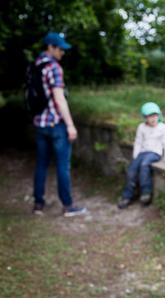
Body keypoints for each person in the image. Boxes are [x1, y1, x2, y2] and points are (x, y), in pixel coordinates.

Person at [32, 32, 87, 217]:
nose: (62, 52)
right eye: (60, 48)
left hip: (39, 123)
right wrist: (70, 125)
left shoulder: (35, 65)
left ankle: (38, 204)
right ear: (51, 47)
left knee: (41, 164)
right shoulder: (54, 67)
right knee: (63, 166)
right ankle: (68, 206)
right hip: (55, 124)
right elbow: (59, 98)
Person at [118, 102, 165, 209]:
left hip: (154, 153)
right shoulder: (141, 127)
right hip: (142, 153)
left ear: (159, 116)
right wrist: (135, 157)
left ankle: (146, 192)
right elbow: (138, 142)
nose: (153, 119)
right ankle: (127, 196)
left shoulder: (163, 127)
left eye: (155, 116)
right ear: (145, 118)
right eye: (150, 117)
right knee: (132, 169)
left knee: (144, 165)